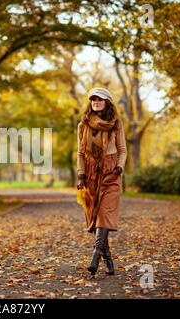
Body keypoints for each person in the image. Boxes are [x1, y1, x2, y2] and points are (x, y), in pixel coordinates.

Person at [76, 87, 127, 276]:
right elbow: (80, 153)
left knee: (104, 214)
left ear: (107, 102)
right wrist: (81, 175)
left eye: (99, 99)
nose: (95, 102)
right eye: (93, 99)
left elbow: (122, 150)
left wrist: (119, 168)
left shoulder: (116, 124)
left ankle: (96, 256)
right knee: (94, 218)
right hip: (90, 174)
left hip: (111, 172)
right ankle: (108, 259)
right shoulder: (83, 125)